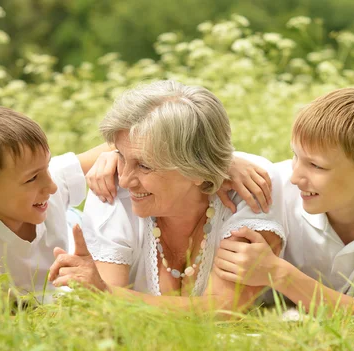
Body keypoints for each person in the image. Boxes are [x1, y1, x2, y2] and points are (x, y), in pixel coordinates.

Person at [48, 80, 285, 311]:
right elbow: (103, 312)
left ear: (197, 169)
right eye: (120, 155)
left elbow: (222, 310)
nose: (125, 179)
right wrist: (103, 295)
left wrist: (107, 294)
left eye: (144, 165)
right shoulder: (109, 186)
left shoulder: (252, 183)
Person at [213, 88, 354, 313]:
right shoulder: (275, 184)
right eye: (296, 156)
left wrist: (279, 274)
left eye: (316, 166)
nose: (295, 178)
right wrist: (224, 164)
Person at [0, 104, 109, 304]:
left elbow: (123, 145)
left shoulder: (42, 179)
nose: (52, 187)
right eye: (32, 178)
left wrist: (113, 157)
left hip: (73, 225)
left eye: (47, 167)